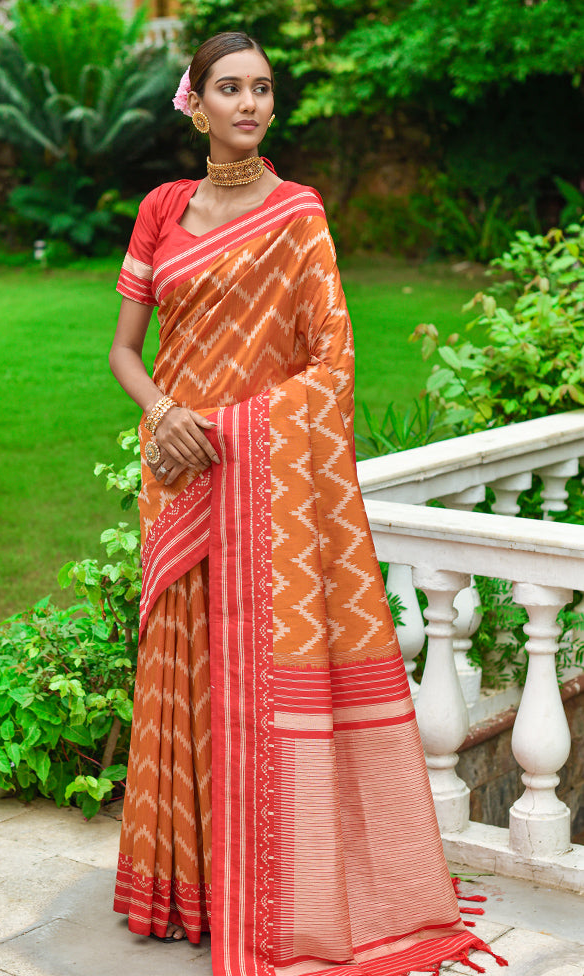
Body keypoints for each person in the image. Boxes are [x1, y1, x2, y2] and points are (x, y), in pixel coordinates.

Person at [109, 31, 507, 976]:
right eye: (230, 88)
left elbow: (333, 364)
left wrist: (233, 427)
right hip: (178, 474)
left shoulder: (298, 216)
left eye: (263, 90)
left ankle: (276, 889)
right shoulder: (162, 210)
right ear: (194, 102)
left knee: (252, 679)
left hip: (256, 480)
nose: (249, 104)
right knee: (187, 676)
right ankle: (187, 893)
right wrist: (164, 413)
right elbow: (124, 349)